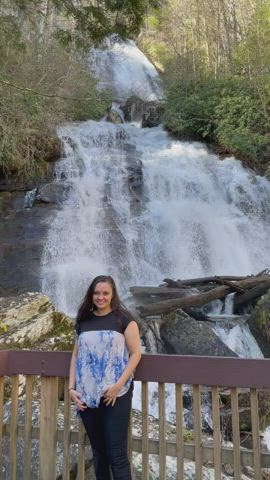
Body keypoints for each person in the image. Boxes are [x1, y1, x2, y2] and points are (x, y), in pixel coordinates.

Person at [69, 275, 141, 480]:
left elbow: (136, 353)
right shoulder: (83, 320)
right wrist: (71, 388)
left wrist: (117, 386)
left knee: (116, 453)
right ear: (91, 295)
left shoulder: (124, 319)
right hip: (86, 395)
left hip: (116, 393)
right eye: (96, 293)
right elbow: (76, 355)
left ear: (112, 295)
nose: (100, 297)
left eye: (105, 293)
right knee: (99, 452)